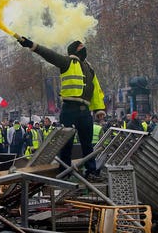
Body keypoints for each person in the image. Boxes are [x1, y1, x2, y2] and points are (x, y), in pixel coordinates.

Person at [18, 38, 106, 180]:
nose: (84, 49)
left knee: (87, 144)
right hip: (69, 109)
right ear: (75, 50)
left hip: (85, 111)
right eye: (81, 47)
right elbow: (49, 54)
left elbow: (96, 90)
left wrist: (99, 109)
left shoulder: (90, 68)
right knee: (66, 143)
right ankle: (65, 172)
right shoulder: (67, 62)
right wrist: (32, 45)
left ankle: (91, 171)